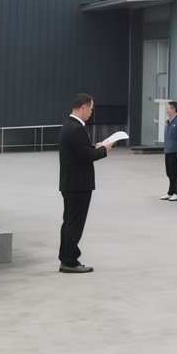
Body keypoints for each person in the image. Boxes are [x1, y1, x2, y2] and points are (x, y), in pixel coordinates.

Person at [58, 93, 117, 273]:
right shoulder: (77, 128)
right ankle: (70, 262)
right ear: (83, 107)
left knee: (69, 222)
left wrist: (94, 146)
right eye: (90, 109)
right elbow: (86, 156)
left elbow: (80, 150)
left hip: (70, 183)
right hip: (78, 184)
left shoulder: (69, 125)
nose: (91, 113)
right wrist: (104, 149)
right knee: (74, 224)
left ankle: (66, 258)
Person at [161, 100, 177, 202]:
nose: (166, 110)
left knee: (176, 172)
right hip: (168, 151)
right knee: (169, 173)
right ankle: (171, 192)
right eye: (166, 108)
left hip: (176, 151)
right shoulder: (168, 122)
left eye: (168, 108)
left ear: (174, 109)